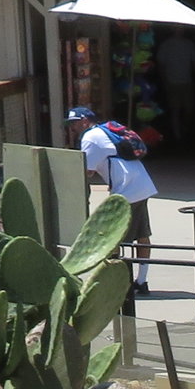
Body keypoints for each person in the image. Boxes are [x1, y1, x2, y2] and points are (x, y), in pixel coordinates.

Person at [70, 106, 156, 288]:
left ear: (85, 121)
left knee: (112, 238)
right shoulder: (106, 130)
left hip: (127, 189)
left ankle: (115, 284)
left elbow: (87, 172)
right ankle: (142, 280)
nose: (72, 128)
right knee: (142, 234)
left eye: (74, 123)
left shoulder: (90, 138)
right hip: (141, 182)